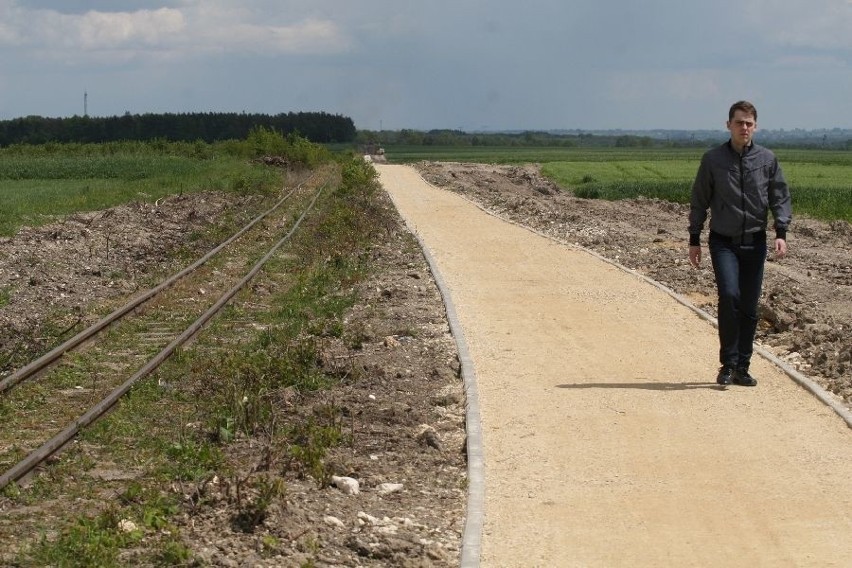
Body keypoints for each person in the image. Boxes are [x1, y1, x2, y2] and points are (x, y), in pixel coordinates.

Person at [688, 100, 792, 387]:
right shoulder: (713, 160)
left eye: (748, 123)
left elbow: (779, 197)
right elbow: (699, 200)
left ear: (755, 126)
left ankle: (742, 367)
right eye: (739, 122)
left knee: (749, 305)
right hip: (723, 242)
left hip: (755, 242)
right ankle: (727, 363)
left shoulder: (767, 160)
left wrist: (780, 231)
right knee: (730, 296)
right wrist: (694, 238)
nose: (744, 127)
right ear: (728, 125)